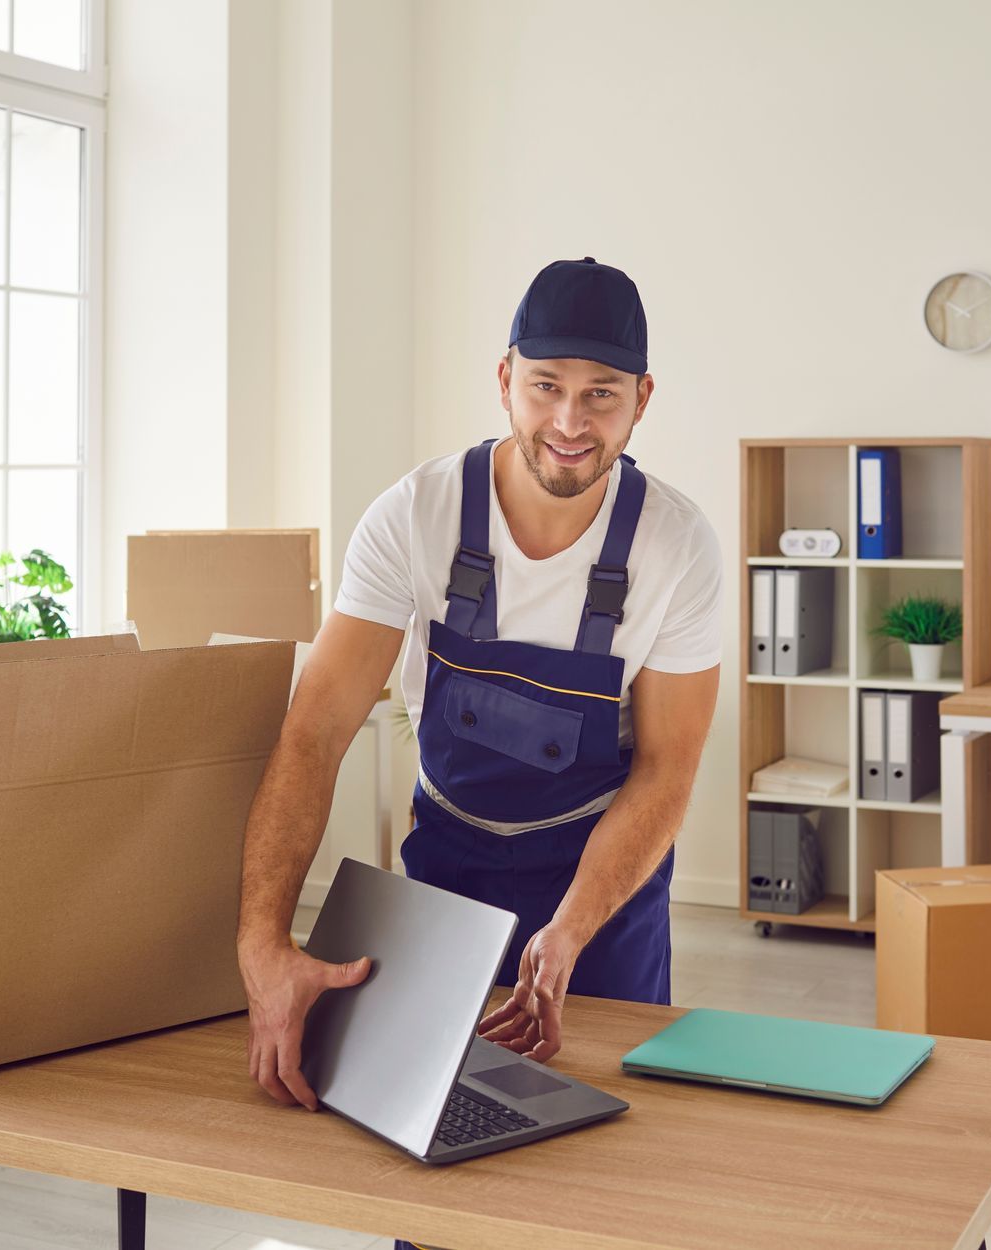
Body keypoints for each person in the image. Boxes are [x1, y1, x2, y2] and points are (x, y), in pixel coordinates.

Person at [236, 257, 724, 1117]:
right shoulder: (414, 516)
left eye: (602, 394)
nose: (570, 421)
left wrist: (571, 929)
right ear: (505, 381)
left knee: (606, 1158)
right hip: (446, 874)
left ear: (643, 399)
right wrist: (262, 943)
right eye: (546, 386)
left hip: (599, 891)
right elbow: (315, 729)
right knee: (418, 1135)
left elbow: (667, 770)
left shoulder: (675, 547)